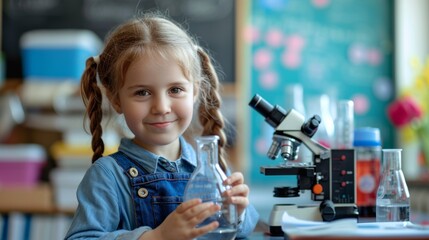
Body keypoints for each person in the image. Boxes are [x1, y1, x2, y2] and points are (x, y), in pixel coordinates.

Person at [65, 13, 259, 240]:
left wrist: (238, 212)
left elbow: (243, 231)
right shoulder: (108, 175)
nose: (161, 107)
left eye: (175, 90)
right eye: (142, 92)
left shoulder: (209, 170)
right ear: (116, 100)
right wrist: (158, 236)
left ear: (195, 91)